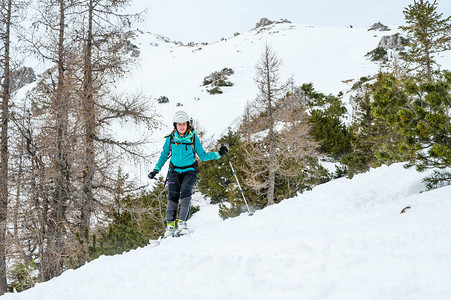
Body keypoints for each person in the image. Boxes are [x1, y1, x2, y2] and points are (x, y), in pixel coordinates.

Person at [148, 110, 228, 237]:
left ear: (187, 124)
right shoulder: (170, 139)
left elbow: (203, 156)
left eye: (184, 124)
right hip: (174, 171)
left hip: (190, 171)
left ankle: (182, 222)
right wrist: (155, 170)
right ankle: (170, 225)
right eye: (179, 124)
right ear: (175, 125)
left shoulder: (193, 138)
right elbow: (164, 156)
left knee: (185, 193)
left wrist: (219, 154)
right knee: (172, 196)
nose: (181, 126)